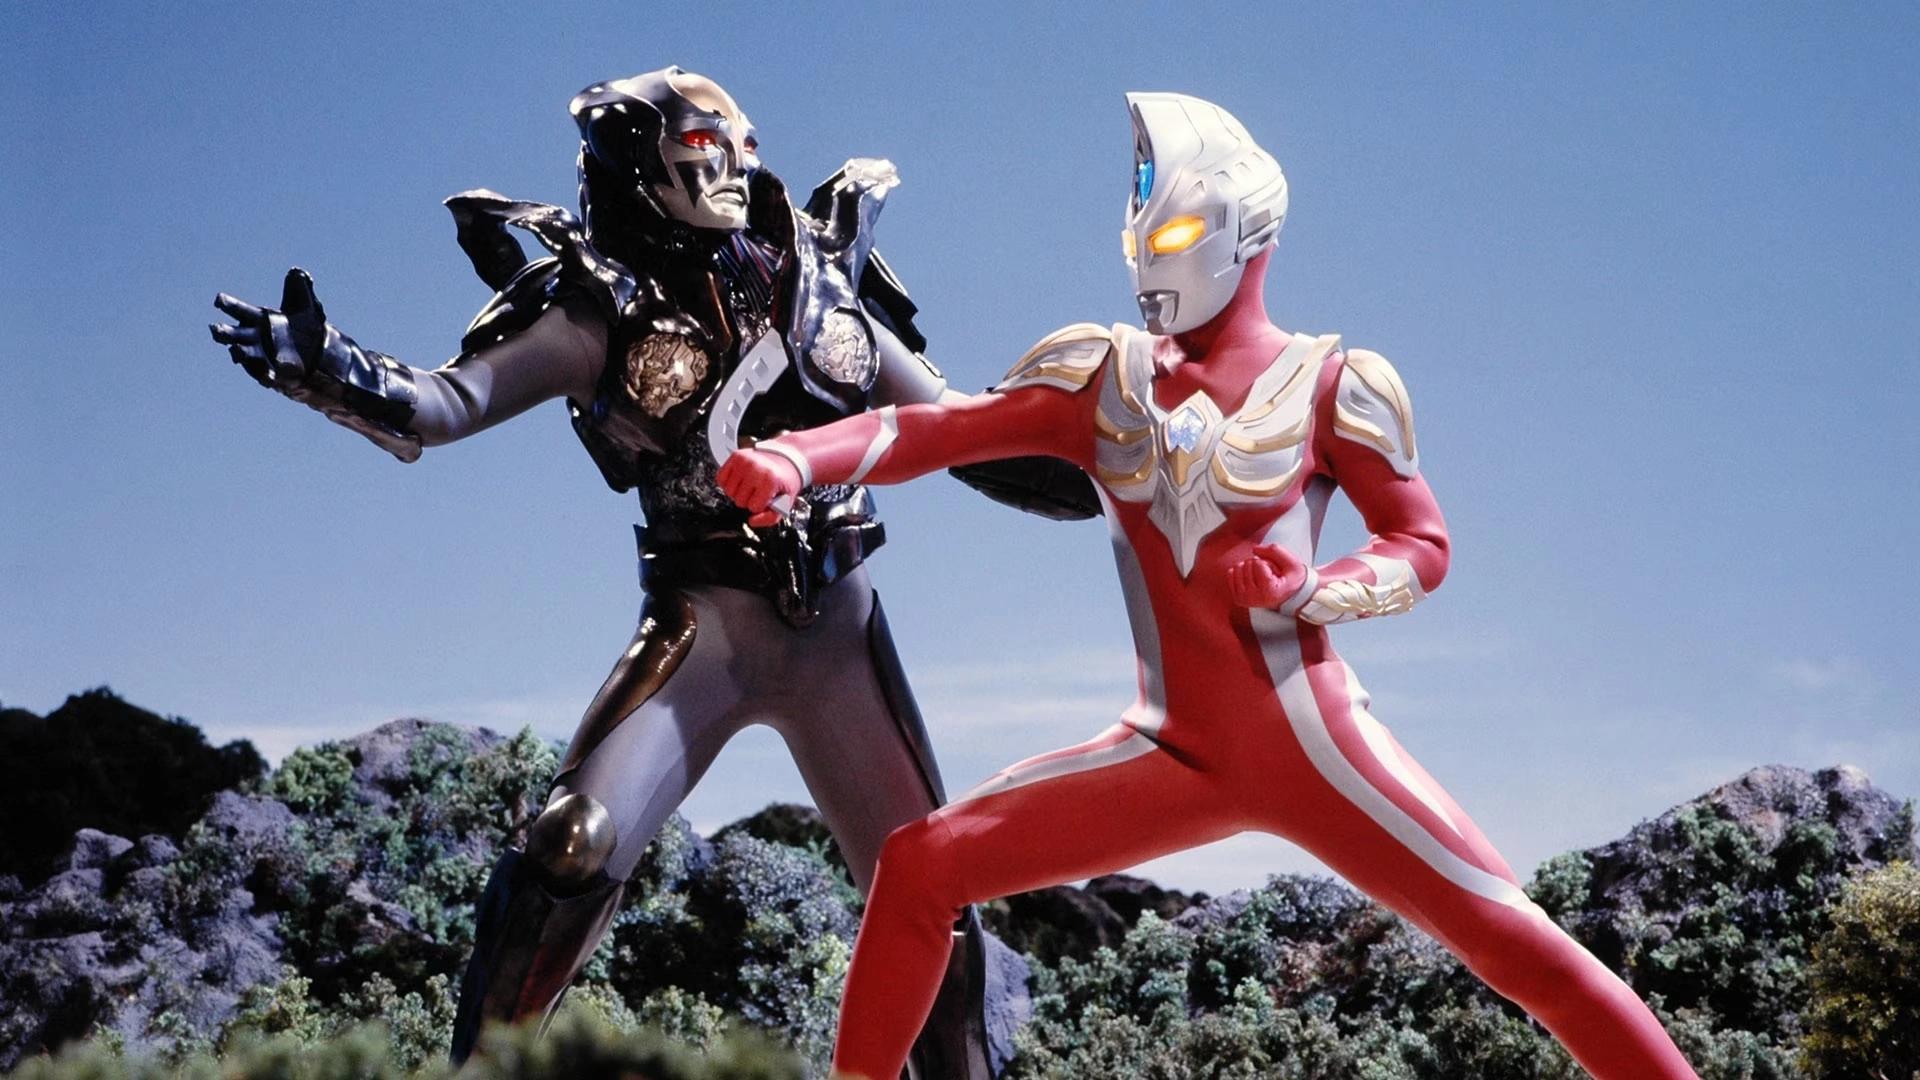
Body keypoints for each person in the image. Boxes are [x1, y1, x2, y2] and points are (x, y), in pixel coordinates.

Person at [717, 91, 1702, 1080]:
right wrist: (801, 456)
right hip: (1169, 752)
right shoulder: (1102, 376)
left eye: (1175, 234)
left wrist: (1316, 587)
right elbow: (934, 431)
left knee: (1521, 947)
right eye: (1137, 237)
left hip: (1314, 743)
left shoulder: (1334, 383)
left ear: (1243, 229)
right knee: (919, 867)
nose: (1150, 261)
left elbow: (1421, 542)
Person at [208, 66, 1091, 1075]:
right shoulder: (601, 308)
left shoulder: (817, 280)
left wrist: (1114, 458)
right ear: (641, 164)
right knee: (569, 845)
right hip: (700, 633)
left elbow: (959, 429)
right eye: (704, 147)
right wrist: (333, 368)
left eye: (743, 145)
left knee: (934, 889)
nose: (735, 167)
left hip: (837, 637)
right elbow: (450, 402)